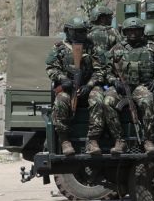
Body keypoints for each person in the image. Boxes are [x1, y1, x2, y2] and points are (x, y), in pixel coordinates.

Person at [45, 16, 107, 156]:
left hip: (88, 85)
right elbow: (51, 68)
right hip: (68, 86)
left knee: (98, 99)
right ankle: (65, 140)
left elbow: (101, 70)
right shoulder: (59, 48)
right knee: (60, 101)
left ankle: (93, 140)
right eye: (75, 32)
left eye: (82, 32)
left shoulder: (93, 48)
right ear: (68, 31)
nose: (79, 35)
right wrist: (63, 79)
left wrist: (89, 85)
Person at [103, 17, 154, 156]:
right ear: (125, 32)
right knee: (107, 102)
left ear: (142, 31)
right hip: (121, 86)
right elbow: (106, 70)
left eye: (136, 30)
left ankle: (148, 140)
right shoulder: (116, 49)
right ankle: (119, 140)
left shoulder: (152, 48)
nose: (133, 33)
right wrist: (114, 81)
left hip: (141, 86)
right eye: (130, 30)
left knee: (148, 101)